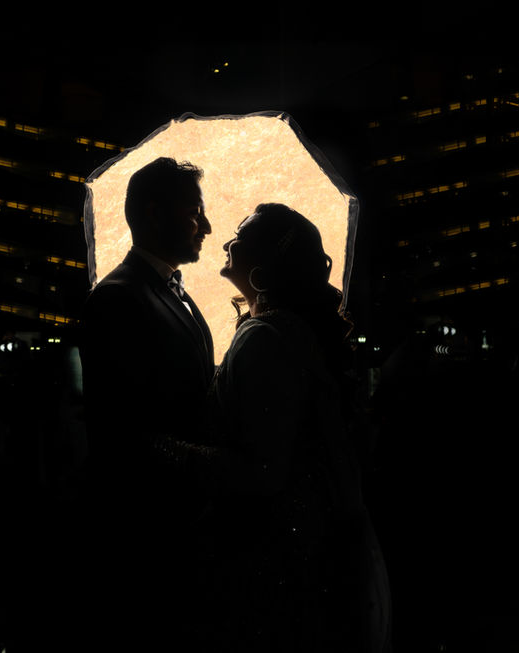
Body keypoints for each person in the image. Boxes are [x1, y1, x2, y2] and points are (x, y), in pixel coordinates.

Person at [151, 203, 391, 651]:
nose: (225, 241)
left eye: (240, 236)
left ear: (263, 267)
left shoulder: (264, 338)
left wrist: (167, 450)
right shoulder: (293, 332)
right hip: (303, 553)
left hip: (271, 559)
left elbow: (262, 471)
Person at [77, 157, 214, 650]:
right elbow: (119, 430)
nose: (207, 226)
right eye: (195, 212)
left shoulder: (175, 292)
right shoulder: (117, 298)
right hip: (147, 529)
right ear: (154, 214)